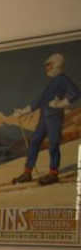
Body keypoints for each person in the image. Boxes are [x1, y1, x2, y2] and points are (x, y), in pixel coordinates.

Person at [12, 52, 80, 186]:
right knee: (34, 142)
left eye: (49, 65)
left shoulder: (63, 79)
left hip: (54, 118)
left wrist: (60, 104)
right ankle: (27, 172)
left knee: (53, 144)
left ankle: (53, 174)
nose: (46, 68)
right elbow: (40, 102)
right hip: (44, 117)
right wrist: (23, 112)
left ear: (56, 65)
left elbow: (76, 93)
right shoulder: (53, 82)